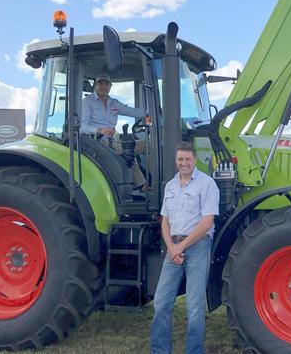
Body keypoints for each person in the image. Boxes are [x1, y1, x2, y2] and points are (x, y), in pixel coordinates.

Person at [150, 141, 220, 354]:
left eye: (188, 159)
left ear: (195, 160)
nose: (184, 163)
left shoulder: (207, 184)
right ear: (176, 161)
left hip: (198, 247)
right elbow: (165, 220)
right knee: (161, 302)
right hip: (174, 248)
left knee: (194, 306)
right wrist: (172, 247)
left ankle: (194, 351)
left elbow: (207, 221)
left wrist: (180, 247)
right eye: (180, 159)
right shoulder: (170, 186)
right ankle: (160, 350)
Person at [81, 73, 147, 188]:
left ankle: (156, 182)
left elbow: (130, 111)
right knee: (128, 150)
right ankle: (142, 185)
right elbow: (83, 127)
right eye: (100, 84)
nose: (103, 87)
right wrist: (100, 130)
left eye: (106, 84)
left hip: (112, 141)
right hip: (96, 142)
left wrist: (150, 113)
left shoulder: (114, 103)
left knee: (148, 145)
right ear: (95, 85)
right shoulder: (87, 101)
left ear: (110, 86)